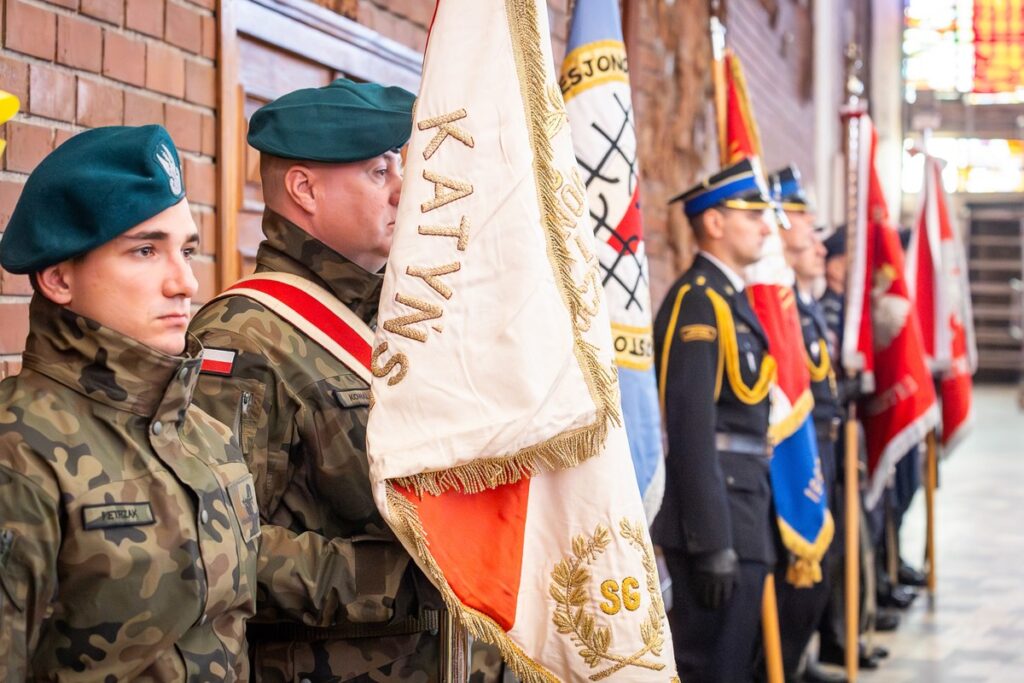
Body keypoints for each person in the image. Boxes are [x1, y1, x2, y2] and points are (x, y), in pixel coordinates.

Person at [188, 79, 443, 682]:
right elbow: (215, 546)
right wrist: (408, 580)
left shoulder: (401, 319)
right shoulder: (243, 338)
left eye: (398, 166)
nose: (403, 188)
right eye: (378, 172)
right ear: (304, 189)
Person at [0, 125, 258, 680]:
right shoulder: (17, 450)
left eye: (186, 251)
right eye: (145, 250)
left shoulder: (206, 436)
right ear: (58, 278)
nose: (185, 283)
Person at [653, 157, 778, 682]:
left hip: (744, 504)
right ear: (714, 222)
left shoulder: (730, 299)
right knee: (712, 667)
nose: (766, 227)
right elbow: (689, 430)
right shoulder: (697, 301)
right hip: (717, 516)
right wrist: (711, 541)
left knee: (735, 662)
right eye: (752, 216)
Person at [772, 167, 846, 683]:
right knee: (797, 579)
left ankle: (797, 661)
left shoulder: (805, 304)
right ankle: (783, 665)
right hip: (796, 450)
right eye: (806, 224)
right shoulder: (777, 304)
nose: (818, 244)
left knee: (824, 566)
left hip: (826, 446)